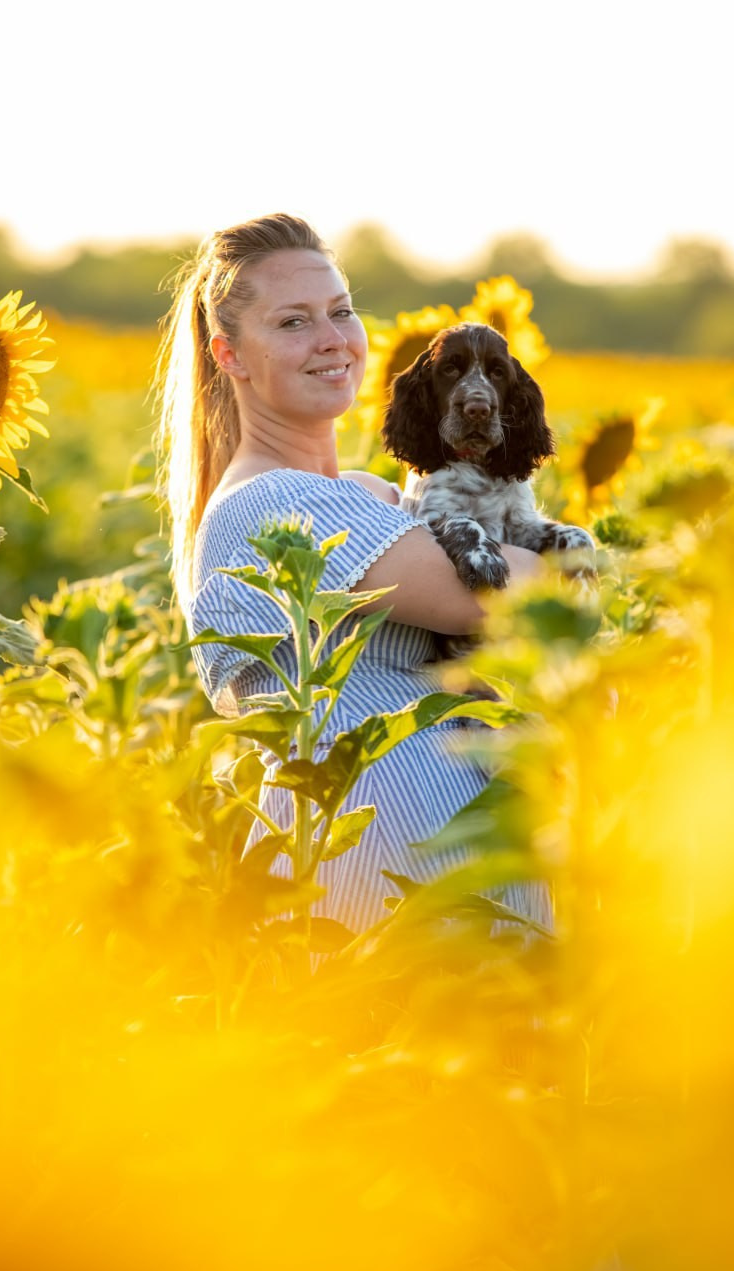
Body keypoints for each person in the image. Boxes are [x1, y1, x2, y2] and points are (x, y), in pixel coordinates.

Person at [156, 212, 552, 936]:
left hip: (471, 902)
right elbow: (486, 596)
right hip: (364, 899)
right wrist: (573, 564)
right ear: (231, 355)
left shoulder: (374, 496)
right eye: (292, 322)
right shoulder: (270, 503)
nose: (332, 340)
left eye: (340, 312)